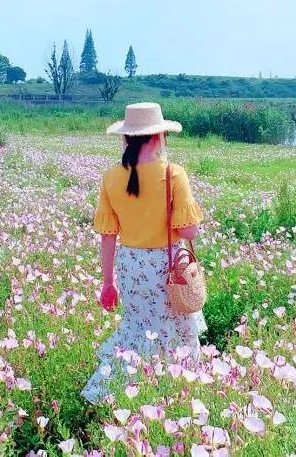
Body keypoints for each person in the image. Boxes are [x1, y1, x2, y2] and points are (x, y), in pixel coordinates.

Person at [81, 102, 205, 403]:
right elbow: (189, 232)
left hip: (131, 265)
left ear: (128, 138)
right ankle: (175, 393)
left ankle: (116, 392)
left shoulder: (111, 177)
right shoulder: (174, 174)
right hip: (166, 266)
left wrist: (107, 282)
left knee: (139, 329)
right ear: (157, 137)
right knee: (176, 331)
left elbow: (108, 236)